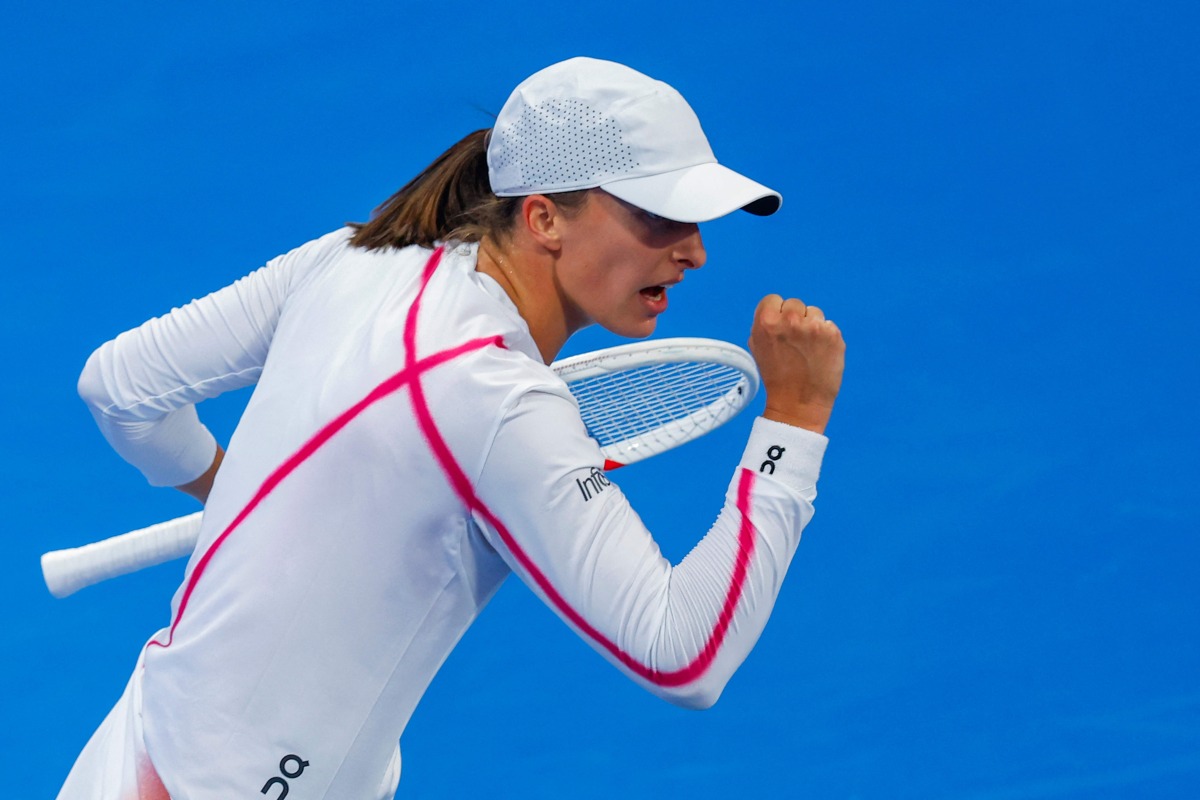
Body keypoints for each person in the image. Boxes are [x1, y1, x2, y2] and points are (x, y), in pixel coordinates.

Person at [58, 56, 845, 799]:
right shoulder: (501, 403)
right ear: (544, 217)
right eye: (659, 216)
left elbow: (119, 387)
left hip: (138, 743)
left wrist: (230, 491)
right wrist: (796, 422)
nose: (696, 252)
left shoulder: (347, 262)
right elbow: (686, 656)